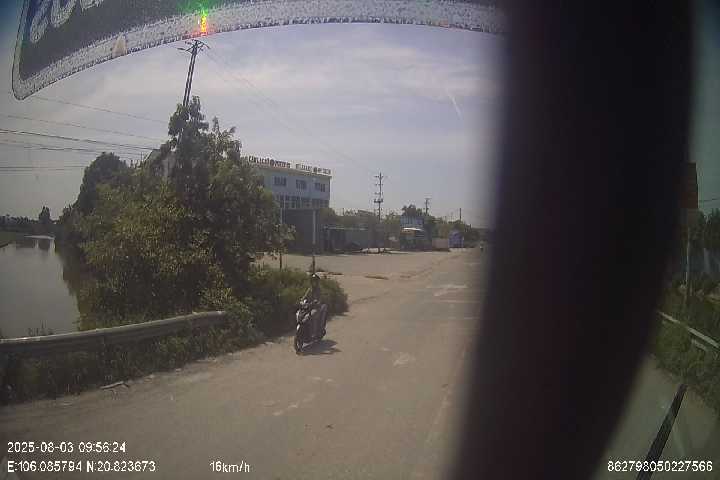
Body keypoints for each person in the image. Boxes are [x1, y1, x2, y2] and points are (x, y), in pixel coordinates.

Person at [302, 273, 327, 338]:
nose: (314, 283)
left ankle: (314, 333)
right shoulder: (310, 289)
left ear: (317, 282)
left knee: (313, 316)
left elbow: (320, 299)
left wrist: (318, 302)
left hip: (317, 307)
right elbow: (305, 296)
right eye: (313, 281)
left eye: (315, 281)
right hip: (309, 307)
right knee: (303, 315)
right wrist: (301, 300)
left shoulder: (319, 290)